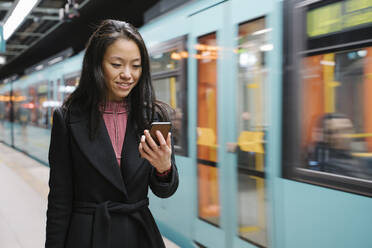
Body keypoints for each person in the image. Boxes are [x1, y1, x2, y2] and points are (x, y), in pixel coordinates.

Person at [46, 19, 179, 248]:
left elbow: (164, 191)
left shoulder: (153, 117)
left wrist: (164, 168)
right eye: (117, 64)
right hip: (87, 236)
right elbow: (59, 198)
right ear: (97, 65)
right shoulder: (67, 119)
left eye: (136, 66)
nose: (128, 74)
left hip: (139, 234)